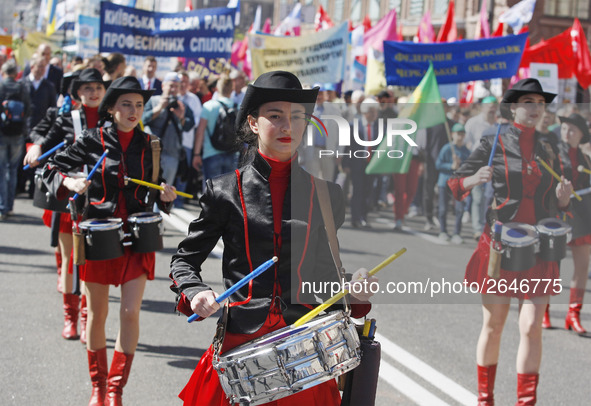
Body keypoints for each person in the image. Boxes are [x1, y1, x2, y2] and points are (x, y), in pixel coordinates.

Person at [170, 70, 376, 406]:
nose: (287, 127)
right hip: (242, 348)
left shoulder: (327, 195)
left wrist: (354, 293)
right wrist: (195, 292)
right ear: (253, 123)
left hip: (306, 352)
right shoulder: (224, 191)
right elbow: (184, 260)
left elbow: (323, 275)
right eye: (275, 116)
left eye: (297, 118)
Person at [43, 76, 177, 406]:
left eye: (139, 105)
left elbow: (156, 189)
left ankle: (116, 390)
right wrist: (70, 182)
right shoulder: (92, 139)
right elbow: (51, 167)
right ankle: (98, 387)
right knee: (99, 314)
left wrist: (167, 196)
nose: (134, 111)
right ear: (112, 108)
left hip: (137, 237)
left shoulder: (151, 144)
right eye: (126, 104)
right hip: (99, 234)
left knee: (130, 313)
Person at [448, 78, 572, 405]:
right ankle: (485, 399)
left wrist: (563, 199)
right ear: (514, 107)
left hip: (540, 245)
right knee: (495, 325)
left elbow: (561, 200)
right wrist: (474, 179)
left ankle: (525, 402)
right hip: (501, 243)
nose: (536, 109)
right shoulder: (494, 141)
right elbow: (455, 183)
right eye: (528, 102)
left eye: (540, 103)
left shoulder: (550, 145)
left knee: (531, 326)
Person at [24, 68, 108, 343]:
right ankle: (71, 317)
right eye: (87, 88)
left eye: (98, 87)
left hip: (100, 199)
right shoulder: (67, 118)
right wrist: (35, 147)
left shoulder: (112, 119)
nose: (93, 93)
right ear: (78, 93)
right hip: (68, 197)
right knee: (71, 262)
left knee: (91, 263)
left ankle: (87, 317)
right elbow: (46, 146)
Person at [550, 113, 591, 334]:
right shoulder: (554, 153)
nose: (567, 132)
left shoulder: (586, 157)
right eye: (564, 128)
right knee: (552, 265)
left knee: (582, 267)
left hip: (582, 216)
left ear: (582, 134)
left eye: (572, 129)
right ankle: (543, 309)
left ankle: (573, 314)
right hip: (559, 214)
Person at [142, 72, 195, 186]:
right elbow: (142, 120)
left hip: (172, 154)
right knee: (146, 188)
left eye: (176, 86)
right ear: (163, 86)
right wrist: (159, 108)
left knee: (164, 191)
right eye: (171, 85)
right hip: (151, 152)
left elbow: (189, 126)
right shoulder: (152, 100)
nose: (173, 89)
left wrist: (182, 118)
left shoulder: (182, 105)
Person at [192, 74, 238, 187]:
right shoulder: (237, 107)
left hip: (211, 154)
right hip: (232, 154)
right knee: (228, 193)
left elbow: (200, 132)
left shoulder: (208, 106)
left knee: (211, 193)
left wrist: (196, 154)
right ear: (232, 89)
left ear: (217, 89)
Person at [0, 59, 30, 221]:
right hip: (18, 134)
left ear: (4, 73)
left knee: (2, 170)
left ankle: (3, 207)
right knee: (12, 170)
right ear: (15, 73)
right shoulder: (21, 88)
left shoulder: (1, 86)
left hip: (2, 134)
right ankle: (9, 206)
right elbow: (28, 108)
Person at [435, 123, 470, 243]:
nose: (460, 136)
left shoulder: (466, 151)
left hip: (458, 183)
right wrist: (451, 165)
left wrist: (461, 167)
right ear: (452, 135)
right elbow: (438, 164)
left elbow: (470, 166)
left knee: (460, 209)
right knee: (443, 208)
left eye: (462, 134)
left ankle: (457, 233)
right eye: (457, 134)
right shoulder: (447, 148)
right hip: (444, 182)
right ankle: (443, 231)